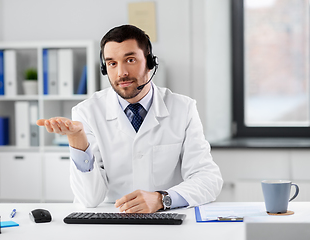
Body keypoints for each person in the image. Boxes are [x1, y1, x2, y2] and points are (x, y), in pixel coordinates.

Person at [37, 24, 223, 213]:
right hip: (111, 219)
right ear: (105, 68)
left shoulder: (184, 109)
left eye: (130, 60)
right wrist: (78, 142)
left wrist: (162, 198)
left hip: (167, 217)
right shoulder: (86, 112)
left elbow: (208, 179)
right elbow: (89, 199)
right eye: (112, 63)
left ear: (150, 62)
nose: (121, 73)